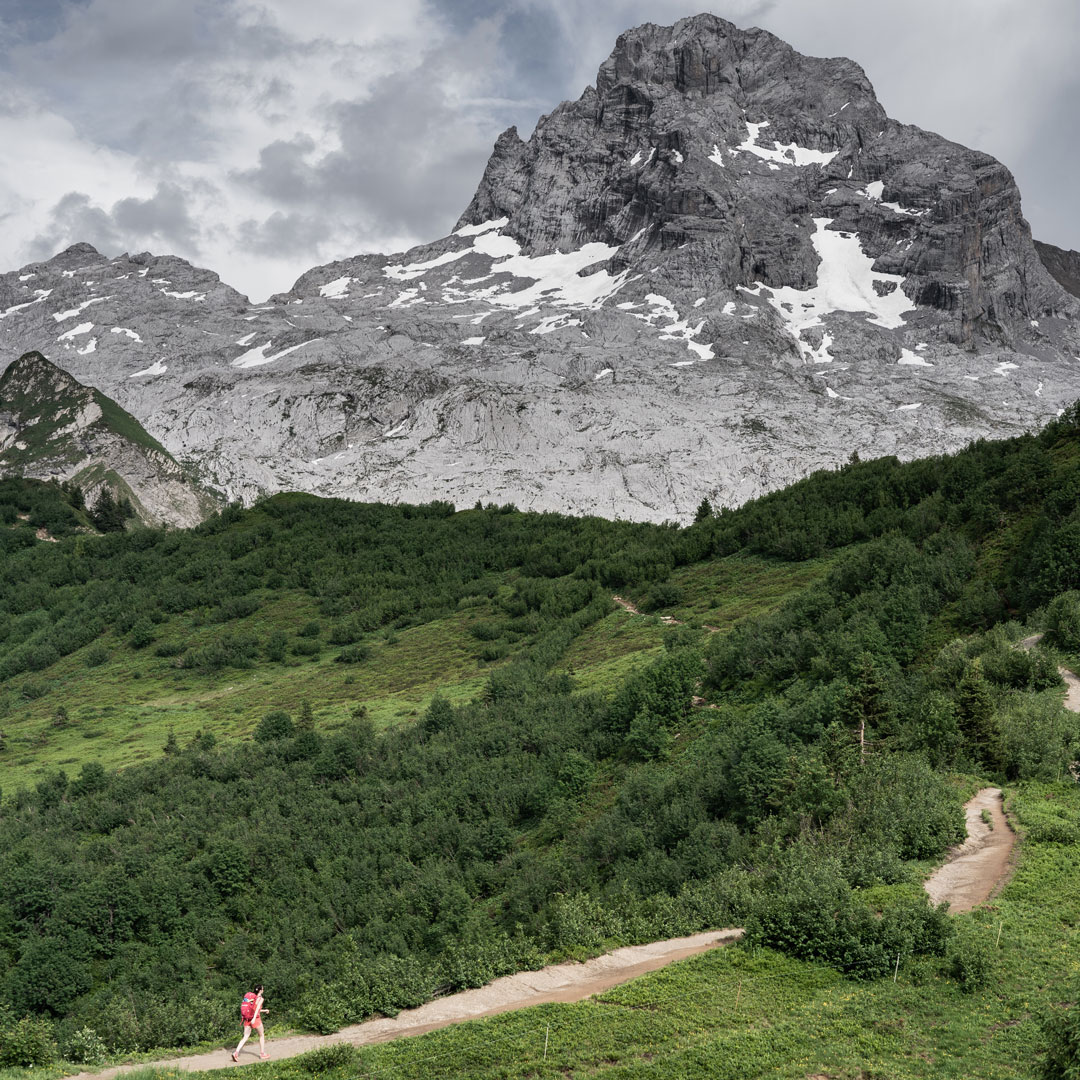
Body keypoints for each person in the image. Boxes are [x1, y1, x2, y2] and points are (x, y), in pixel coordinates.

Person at [231, 985, 269, 1061]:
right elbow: (257, 1008)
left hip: (247, 1019)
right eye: (263, 989)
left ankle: (236, 1053)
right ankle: (262, 1054)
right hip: (256, 1019)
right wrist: (254, 1019)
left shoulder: (251, 998)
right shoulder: (260, 999)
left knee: (245, 1036)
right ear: (260, 991)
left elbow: (253, 1009)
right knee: (261, 1035)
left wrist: (264, 1010)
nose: (263, 990)